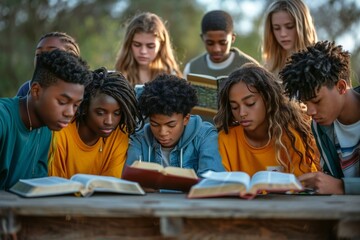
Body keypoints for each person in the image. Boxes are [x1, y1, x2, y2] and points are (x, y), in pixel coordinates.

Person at [0, 50, 92, 190]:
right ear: (36, 91)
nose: (70, 113)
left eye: (76, 105)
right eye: (62, 102)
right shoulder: (3, 120)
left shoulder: (46, 128)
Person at [280, 40, 360, 194]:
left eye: (317, 101)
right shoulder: (320, 126)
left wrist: (340, 187)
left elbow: (337, 186)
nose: (310, 111)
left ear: (341, 87)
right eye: (305, 102)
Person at [214, 63, 319, 177]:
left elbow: (305, 185)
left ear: (268, 100)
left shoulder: (291, 137)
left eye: (250, 104)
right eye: (234, 107)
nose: (242, 113)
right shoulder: (225, 139)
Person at [48, 68, 144, 179]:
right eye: (100, 113)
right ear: (84, 107)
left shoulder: (120, 132)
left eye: (117, 113)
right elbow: (54, 183)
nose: (109, 121)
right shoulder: (61, 131)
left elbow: (111, 184)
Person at [126, 74, 225, 176]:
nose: (163, 133)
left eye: (171, 125)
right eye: (155, 124)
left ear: (186, 119)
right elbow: (128, 179)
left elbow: (211, 179)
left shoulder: (206, 136)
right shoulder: (139, 139)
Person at [183, 10, 258, 79]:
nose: (216, 49)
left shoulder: (251, 67)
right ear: (202, 38)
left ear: (232, 38)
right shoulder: (191, 69)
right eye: (210, 43)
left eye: (223, 43)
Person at [114, 12, 182, 87]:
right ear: (129, 44)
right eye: (137, 45)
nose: (143, 51)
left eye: (150, 46)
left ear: (161, 45)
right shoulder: (118, 78)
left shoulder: (172, 78)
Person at [262, 0, 317, 76]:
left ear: (303, 27)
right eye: (277, 28)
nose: (283, 34)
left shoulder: (319, 64)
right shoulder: (268, 67)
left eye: (289, 27)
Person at [17, 32, 81, 97]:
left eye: (51, 52)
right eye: (38, 54)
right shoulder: (26, 89)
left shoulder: (83, 90)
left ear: (71, 58)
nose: (42, 57)